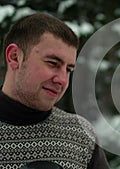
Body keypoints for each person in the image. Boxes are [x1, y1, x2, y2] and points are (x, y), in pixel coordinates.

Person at [0, 13, 110, 169]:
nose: (63, 80)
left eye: (68, 69)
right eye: (53, 63)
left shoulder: (80, 135)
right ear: (14, 57)